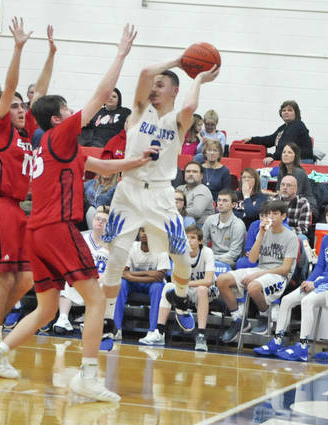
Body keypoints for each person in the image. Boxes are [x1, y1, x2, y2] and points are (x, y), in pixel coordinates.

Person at [0, 22, 148, 403]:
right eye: (66, 109)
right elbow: (99, 96)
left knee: (46, 308)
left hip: (34, 229)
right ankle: (88, 376)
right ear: (58, 119)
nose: (72, 112)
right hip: (56, 227)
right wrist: (121, 55)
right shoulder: (60, 136)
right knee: (96, 300)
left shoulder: (54, 147)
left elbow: (102, 166)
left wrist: (138, 161)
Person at [100, 52, 220, 352]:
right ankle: (106, 322)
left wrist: (200, 79)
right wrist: (178, 61)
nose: (154, 88)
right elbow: (142, 72)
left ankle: (179, 296)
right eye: (153, 84)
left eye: (161, 84)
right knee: (116, 258)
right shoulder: (139, 110)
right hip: (127, 190)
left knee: (180, 255)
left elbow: (191, 106)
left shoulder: (178, 120)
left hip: (160, 192)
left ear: (174, 90)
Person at [0, 21, 58, 378]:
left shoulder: (27, 132)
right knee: (4, 279)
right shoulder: (0, 129)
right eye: (15, 105)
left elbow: (42, 93)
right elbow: (14, 88)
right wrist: (18, 48)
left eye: (23, 108)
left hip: (18, 209)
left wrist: (50, 52)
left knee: (27, 279)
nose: (21, 109)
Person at [254, 201, 328, 361]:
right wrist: (308, 281)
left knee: (307, 301)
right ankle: (277, 340)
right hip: (322, 281)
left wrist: (315, 284)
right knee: (287, 300)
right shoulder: (327, 238)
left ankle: (302, 346)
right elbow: (320, 266)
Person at [216, 200, 298, 343]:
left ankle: (264, 315)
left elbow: (285, 269)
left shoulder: (290, 237)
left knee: (253, 287)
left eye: (275, 214)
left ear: (283, 216)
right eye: (268, 214)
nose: (271, 217)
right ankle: (238, 319)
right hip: (261, 269)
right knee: (222, 280)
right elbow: (252, 260)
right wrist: (260, 235)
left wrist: (258, 274)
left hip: (279, 276)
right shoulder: (263, 232)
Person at [139, 224, 215, 351]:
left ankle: (201, 334)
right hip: (186, 289)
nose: (189, 241)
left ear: (200, 241)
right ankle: (160, 332)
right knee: (168, 286)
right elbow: (174, 280)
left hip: (206, 291)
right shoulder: (180, 253)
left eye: (193, 238)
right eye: (186, 238)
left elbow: (208, 281)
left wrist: (186, 284)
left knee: (202, 289)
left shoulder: (207, 253)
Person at [53, 206, 111, 334]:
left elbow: (114, 270)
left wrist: (100, 278)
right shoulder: (81, 238)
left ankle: (90, 320)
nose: (100, 222)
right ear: (93, 220)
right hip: (82, 277)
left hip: (100, 280)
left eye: (104, 220)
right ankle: (63, 319)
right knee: (68, 279)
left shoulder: (112, 245)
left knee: (103, 286)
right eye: (98, 219)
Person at [113, 228, 170, 340]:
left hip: (151, 284)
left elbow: (160, 277)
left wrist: (132, 276)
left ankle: (154, 331)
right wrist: (150, 273)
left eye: (148, 231)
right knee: (121, 283)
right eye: (142, 231)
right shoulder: (131, 247)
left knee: (158, 287)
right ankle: (116, 329)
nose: (144, 233)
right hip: (134, 283)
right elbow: (123, 273)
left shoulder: (162, 249)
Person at [244, 100, 314, 165]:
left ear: (296, 113)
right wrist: (252, 139)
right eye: (284, 110)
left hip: (301, 162)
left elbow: (286, 144)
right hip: (288, 160)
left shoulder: (298, 125)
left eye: (290, 110)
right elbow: (270, 140)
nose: (286, 112)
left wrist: (273, 157)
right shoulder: (283, 127)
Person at [202, 189, 246, 268]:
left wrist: (211, 258)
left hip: (229, 261)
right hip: (211, 256)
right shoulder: (210, 219)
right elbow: (202, 242)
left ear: (233, 204)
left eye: (225, 201)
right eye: (219, 200)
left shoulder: (238, 225)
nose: (220, 203)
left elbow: (234, 254)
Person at [274, 142, 317, 214]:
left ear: (295, 156)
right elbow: (279, 192)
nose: (286, 154)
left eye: (289, 152)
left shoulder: (299, 172)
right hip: (289, 202)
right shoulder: (281, 171)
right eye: (284, 152)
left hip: (305, 205)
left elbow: (294, 195)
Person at [177, 161, 215, 226]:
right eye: (188, 171)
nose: (191, 174)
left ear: (201, 176)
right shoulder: (180, 188)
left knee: (188, 220)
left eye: (194, 172)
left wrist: (176, 210)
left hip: (200, 226)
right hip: (181, 222)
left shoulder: (203, 190)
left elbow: (197, 212)